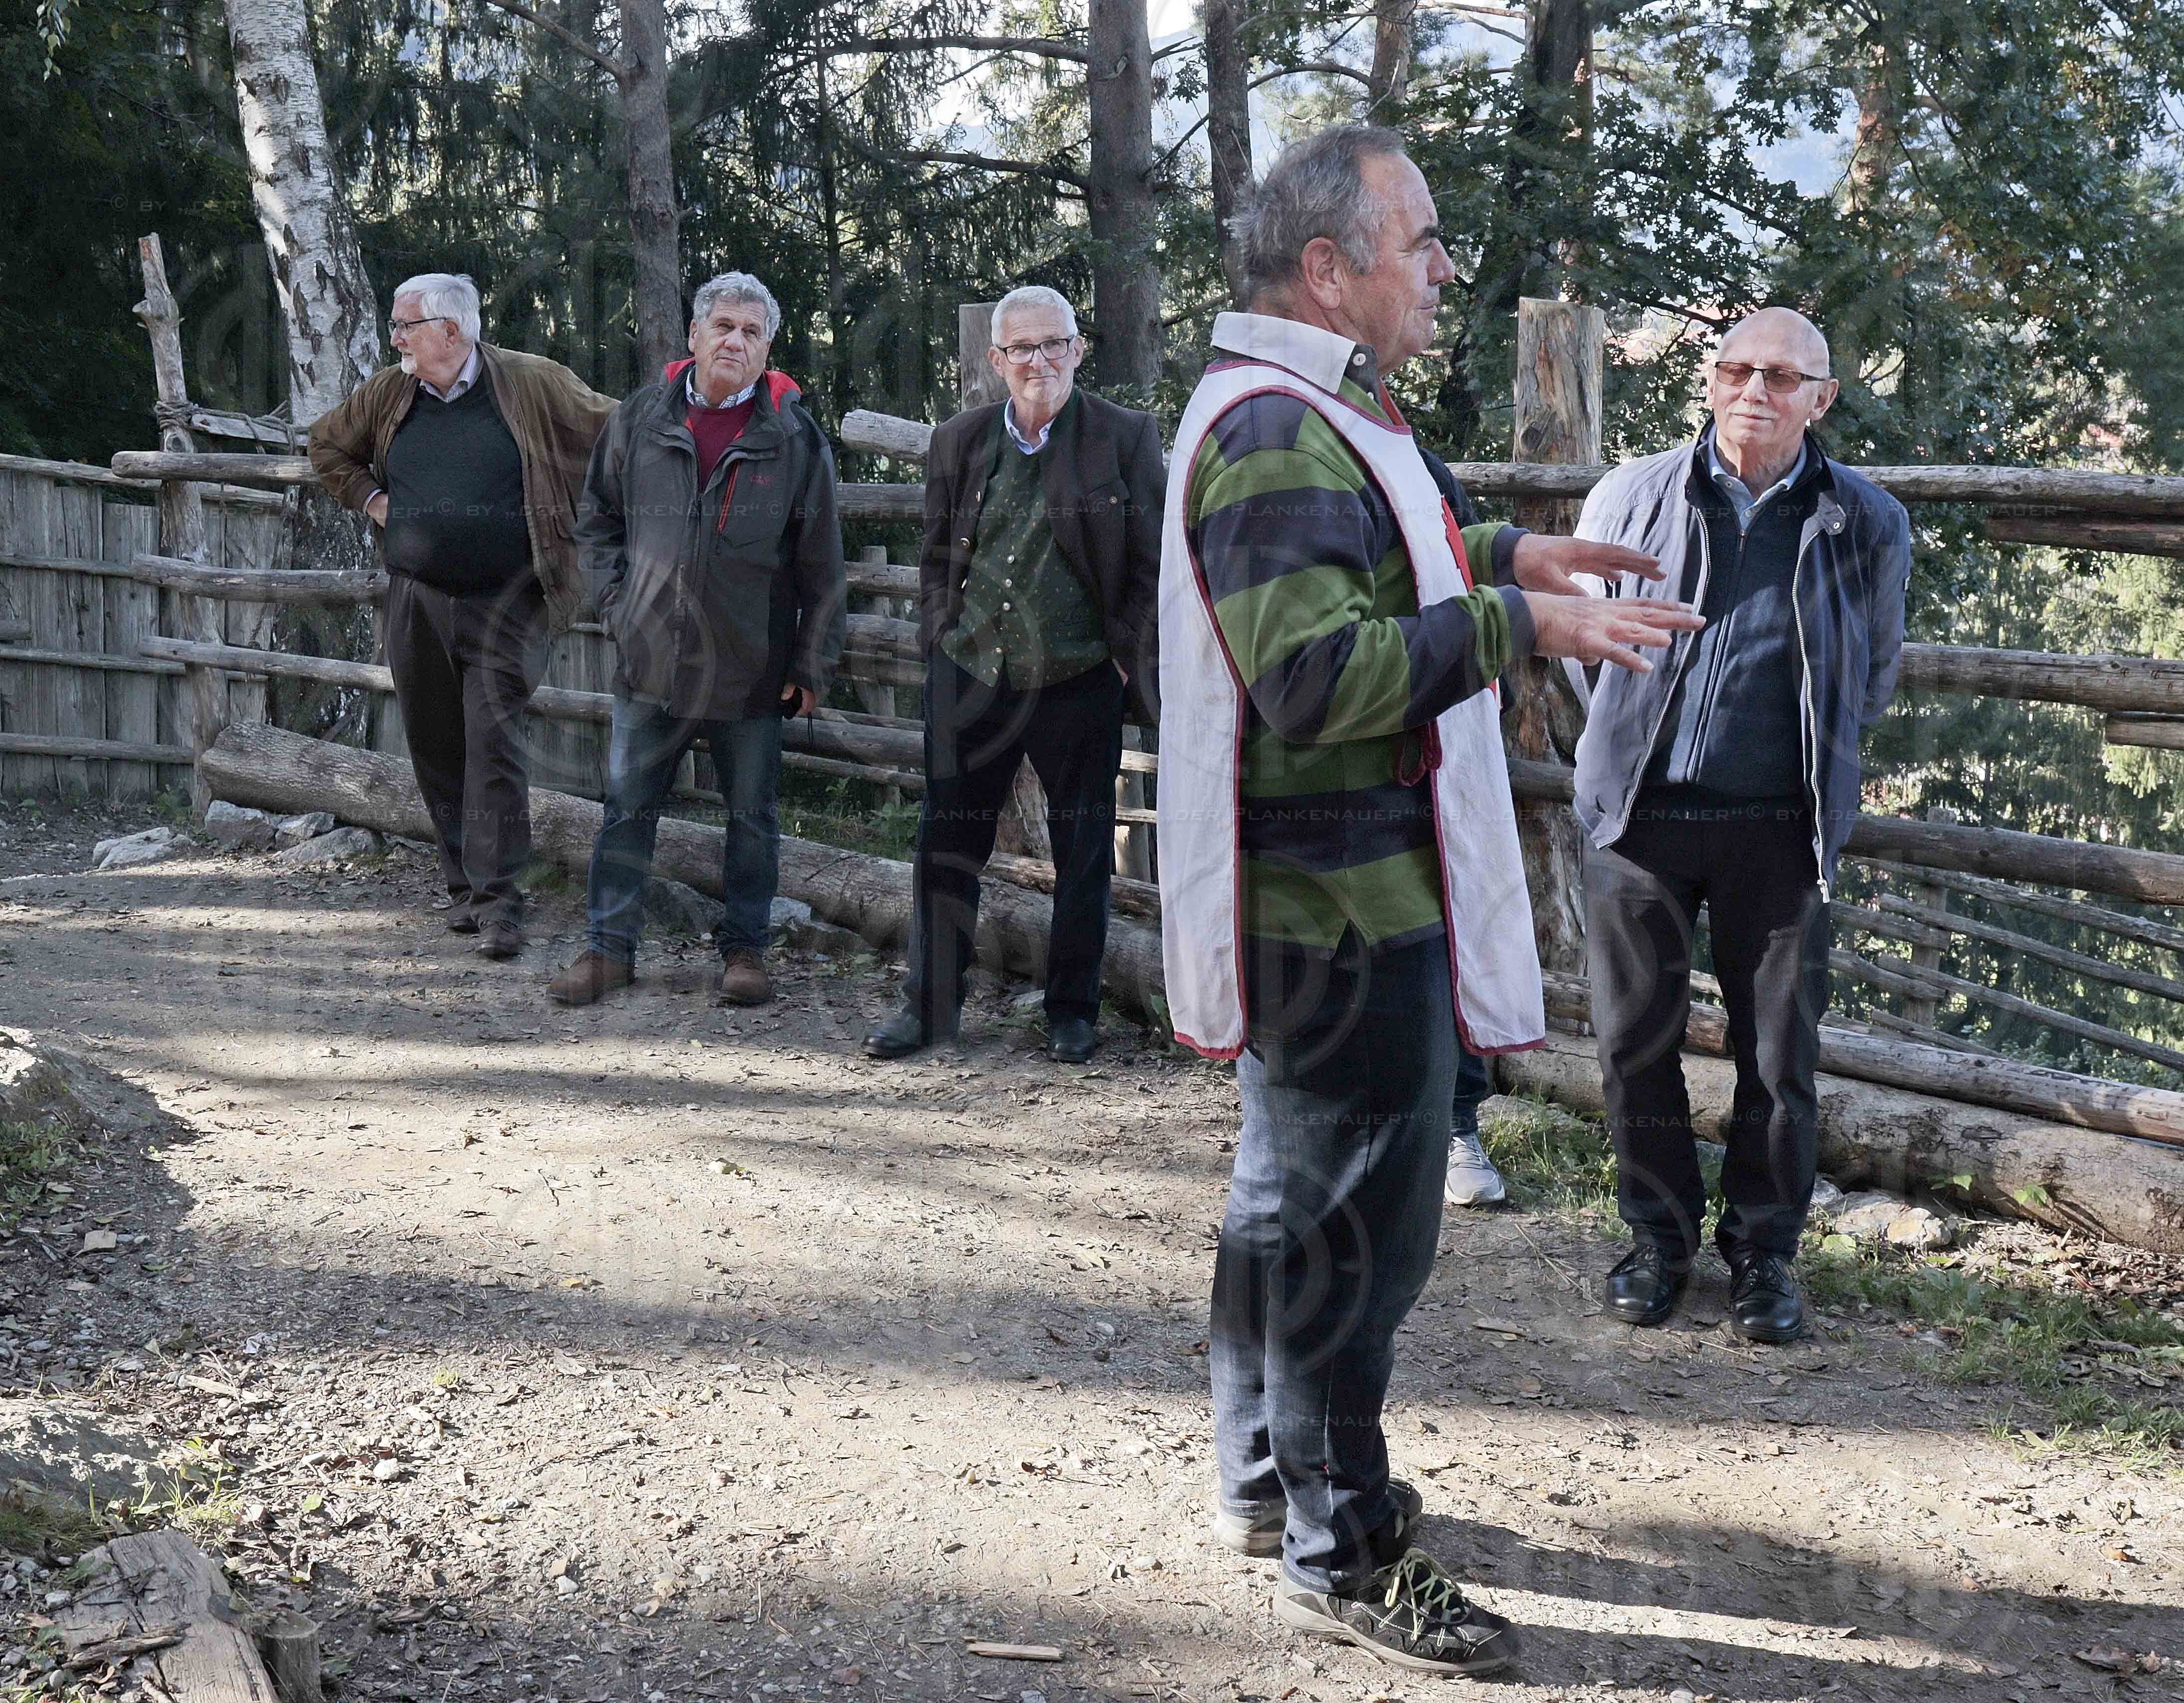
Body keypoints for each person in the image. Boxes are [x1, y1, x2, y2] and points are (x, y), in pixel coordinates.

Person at [1158, 125, 1701, 1676]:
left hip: (1327, 900)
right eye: (1422, 241)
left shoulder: (1307, 411)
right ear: (1328, 271)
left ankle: (1266, 1481)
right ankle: (1346, 1549)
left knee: (1287, 1205)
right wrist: (1514, 617)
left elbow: (1361, 568)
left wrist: (1504, 549)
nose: (1445, 267)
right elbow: (1315, 671)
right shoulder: (1274, 429)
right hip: (1336, 910)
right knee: (1355, 1238)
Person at [1567, 306, 1909, 1345]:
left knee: (1777, 1058)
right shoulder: (1635, 494)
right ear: (1711, 381)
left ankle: (1764, 1256)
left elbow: (1873, 669)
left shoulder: (1866, 519)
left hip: (1781, 827)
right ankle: (1659, 1240)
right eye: (1736, 370)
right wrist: (1632, 749)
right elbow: (1585, 640)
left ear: (1823, 396)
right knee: (1636, 1043)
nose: (1754, 390)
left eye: (1781, 376)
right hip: (1642, 819)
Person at [863, 286, 1164, 1064]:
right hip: (971, 673)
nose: (1041, 361)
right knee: (946, 845)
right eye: (1022, 349)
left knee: (1085, 852)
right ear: (997, 361)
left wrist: (1122, 652)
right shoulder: (958, 441)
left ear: (1078, 348)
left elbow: (1151, 558)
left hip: (1078, 676)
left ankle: (1071, 1013)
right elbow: (934, 556)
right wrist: (940, 634)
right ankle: (928, 1010)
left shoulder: (1123, 436)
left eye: (1055, 343)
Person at [547, 271, 846, 1010]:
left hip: (751, 667)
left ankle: (744, 952)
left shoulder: (793, 438)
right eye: (723, 327)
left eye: (751, 333)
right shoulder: (640, 418)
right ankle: (608, 951)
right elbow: (597, 522)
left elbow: (823, 563)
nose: (734, 342)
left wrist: (811, 662)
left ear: (767, 347)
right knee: (626, 808)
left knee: (751, 816)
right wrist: (618, 607)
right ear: (694, 335)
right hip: (650, 660)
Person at [309, 273, 616, 960]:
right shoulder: (391, 394)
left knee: (494, 745)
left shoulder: (533, 383)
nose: (395, 339)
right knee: (436, 743)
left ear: (453, 331)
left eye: (405, 325)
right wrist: (371, 500)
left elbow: (619, 432)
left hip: (512, 603)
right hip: (417, 598)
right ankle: (464, 891)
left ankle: (502, 904)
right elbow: (328, 445)